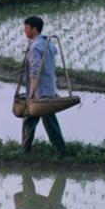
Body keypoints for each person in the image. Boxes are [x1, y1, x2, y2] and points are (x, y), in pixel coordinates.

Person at [20, 16, 68, 156]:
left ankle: (61, 152)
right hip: (49, 87)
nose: (25, 31)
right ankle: (25, 149)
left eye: (26, 28)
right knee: (30, 118)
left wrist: (32, 94)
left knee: (48, 121)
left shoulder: (35, 47)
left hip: (40, 91)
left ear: (34, 29)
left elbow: (35, 71)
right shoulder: (48, 42)